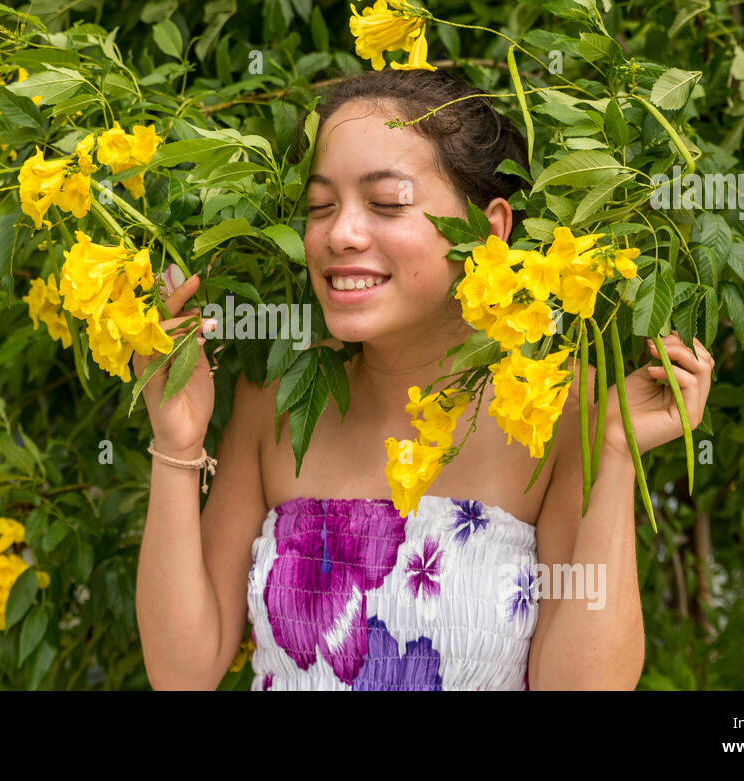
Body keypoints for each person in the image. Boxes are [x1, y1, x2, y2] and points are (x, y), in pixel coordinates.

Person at [134, 68, 713, 691]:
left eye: (386, 204)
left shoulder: (558, 403)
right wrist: (177, 441)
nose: (340, 234)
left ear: (487, 230)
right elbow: (182, 673)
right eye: (320, 207)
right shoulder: (279, 392)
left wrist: (618, 453)